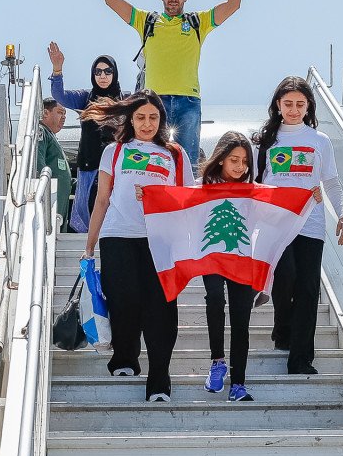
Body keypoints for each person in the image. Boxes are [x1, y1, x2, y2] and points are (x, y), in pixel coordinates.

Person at [79, 0, 248, 159]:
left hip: (188, 102)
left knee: (186, 162)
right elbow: (112, 0)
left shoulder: (199, 22)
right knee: (153, 161)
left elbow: (232, 5)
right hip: (154, 102)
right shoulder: (146, 20)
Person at [81, 90, 189, 402]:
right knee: (123, 301)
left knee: (162, 310)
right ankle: (125, 358)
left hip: (160, 239)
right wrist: (89, 248)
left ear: (161, 120)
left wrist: (160, 197)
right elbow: (102, 200)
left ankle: (159, 380)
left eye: (153, 117)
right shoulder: (114, 151)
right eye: (140, 117)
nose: (146, 123)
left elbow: (186, 200)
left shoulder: (175, 154)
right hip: (117, 236)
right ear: (130, 118)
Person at [253, 76, 343, 376]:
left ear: (308, 106)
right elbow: (255, 182)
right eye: (288, 104)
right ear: (278, 106)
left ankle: (301, 359)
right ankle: (282, 329)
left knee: (308, 289)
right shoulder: (267, 140)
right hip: (277, 223)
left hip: (311, 222)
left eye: (299, 104)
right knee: (285, 278)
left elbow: (331, 182)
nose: (294, 109)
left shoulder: (319, 142)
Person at [198, 130, 260, 402]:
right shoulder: (201, 186)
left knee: (241, 319)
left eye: (244, 161)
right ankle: (217, 362)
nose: (239, 166)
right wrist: (149, 195)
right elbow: (176, 202)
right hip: (211, 256)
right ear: (221, 159)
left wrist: (307, 197)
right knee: (214, 299)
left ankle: (238, 383)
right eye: (234, 159)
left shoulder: (253, 191)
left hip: (242, 260)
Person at [46, 43, 123, 233]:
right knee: (89, 206)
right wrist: (57, 70)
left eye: (107, 71)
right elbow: (59, 96)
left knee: (115, 208)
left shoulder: (125, 100)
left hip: (116, 166)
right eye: (98, 72)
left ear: (114, 74)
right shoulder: (85, 98)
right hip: (90, 164)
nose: (103, 76)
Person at [36, 97, 75, 227]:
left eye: (65, 114)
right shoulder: (41, 132)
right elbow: (38, 164)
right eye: (60, 112)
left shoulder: (52, 137)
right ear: (45, 113)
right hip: (48, 209)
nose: (63, 117)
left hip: (58, 213)